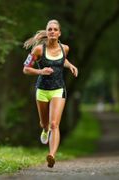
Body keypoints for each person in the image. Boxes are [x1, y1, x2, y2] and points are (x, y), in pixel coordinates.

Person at [22, 19, 78, 168]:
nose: (52, 31)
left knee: (54, 124)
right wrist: (41, 71)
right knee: (45, 123)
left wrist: (70, 65)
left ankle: (51, 155)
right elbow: (26, 69)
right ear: (47, 33)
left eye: (55, 29)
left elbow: (62, 61)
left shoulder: (65, 48)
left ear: (59, 33)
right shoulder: (39, 50)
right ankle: (44, 129)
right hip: (41, 90)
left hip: (58, 89)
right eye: (50, 29)